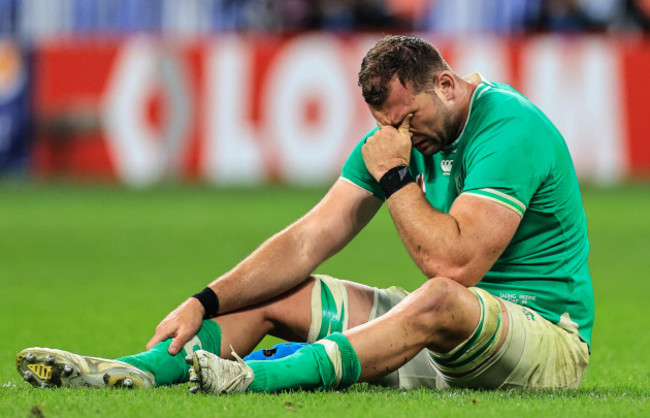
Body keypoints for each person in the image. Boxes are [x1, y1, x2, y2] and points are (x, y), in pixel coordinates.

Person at [17, 35, 593, 393]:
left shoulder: (509, 126)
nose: (400, 135)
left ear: (445, 84)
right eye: (387, 124)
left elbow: (455, 263)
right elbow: (306, 242)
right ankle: (134, 371)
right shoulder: (400, 135)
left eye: (408, 118)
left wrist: (395, 180)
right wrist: (204, 300)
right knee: (279, 291)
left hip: (544, 342)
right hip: (446, 340)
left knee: (441, 294)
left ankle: (254, 377)